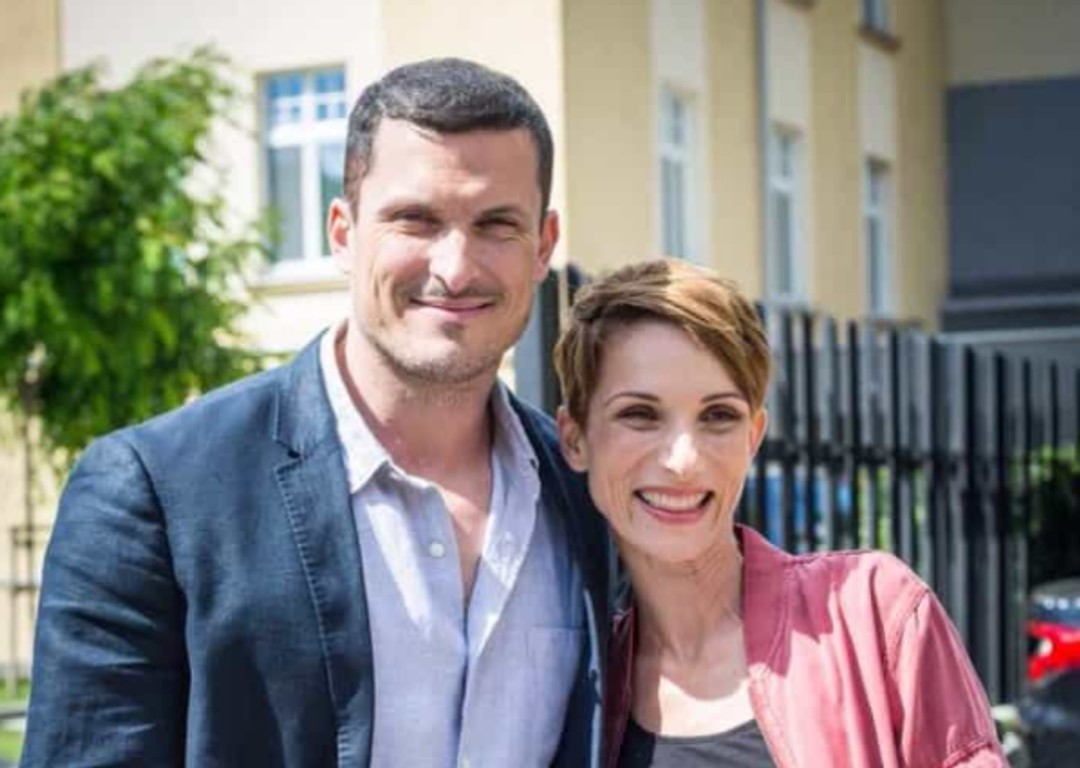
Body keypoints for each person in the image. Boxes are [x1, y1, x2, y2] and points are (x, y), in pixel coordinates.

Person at [21, 58, 612, 768]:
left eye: (496, 224)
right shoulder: (155, 493)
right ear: (342, 231)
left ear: (543, 245)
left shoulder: (589, 494)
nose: (455, 268)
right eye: (415, 220)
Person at [553, 259, 1007, 768]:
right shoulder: (577, 699)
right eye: (639, 414)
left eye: (718, 416)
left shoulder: (873, 614)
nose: (683, 461)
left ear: (753, 436)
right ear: (575, 439)